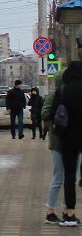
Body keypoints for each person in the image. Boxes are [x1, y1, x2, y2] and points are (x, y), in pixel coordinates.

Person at [42, 76, 79, 223]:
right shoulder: (54, 94)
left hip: (72, 140)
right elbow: (45, 114)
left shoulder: (71, 92)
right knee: (58, 177)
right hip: (58, 142)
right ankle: (50, 210)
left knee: (71, 178)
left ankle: (66, 210)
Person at [51, 61, 82, 227]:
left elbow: (53, 114)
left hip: (69, 139)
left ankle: (70, 214)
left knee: (69, 177)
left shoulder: (62, 91)